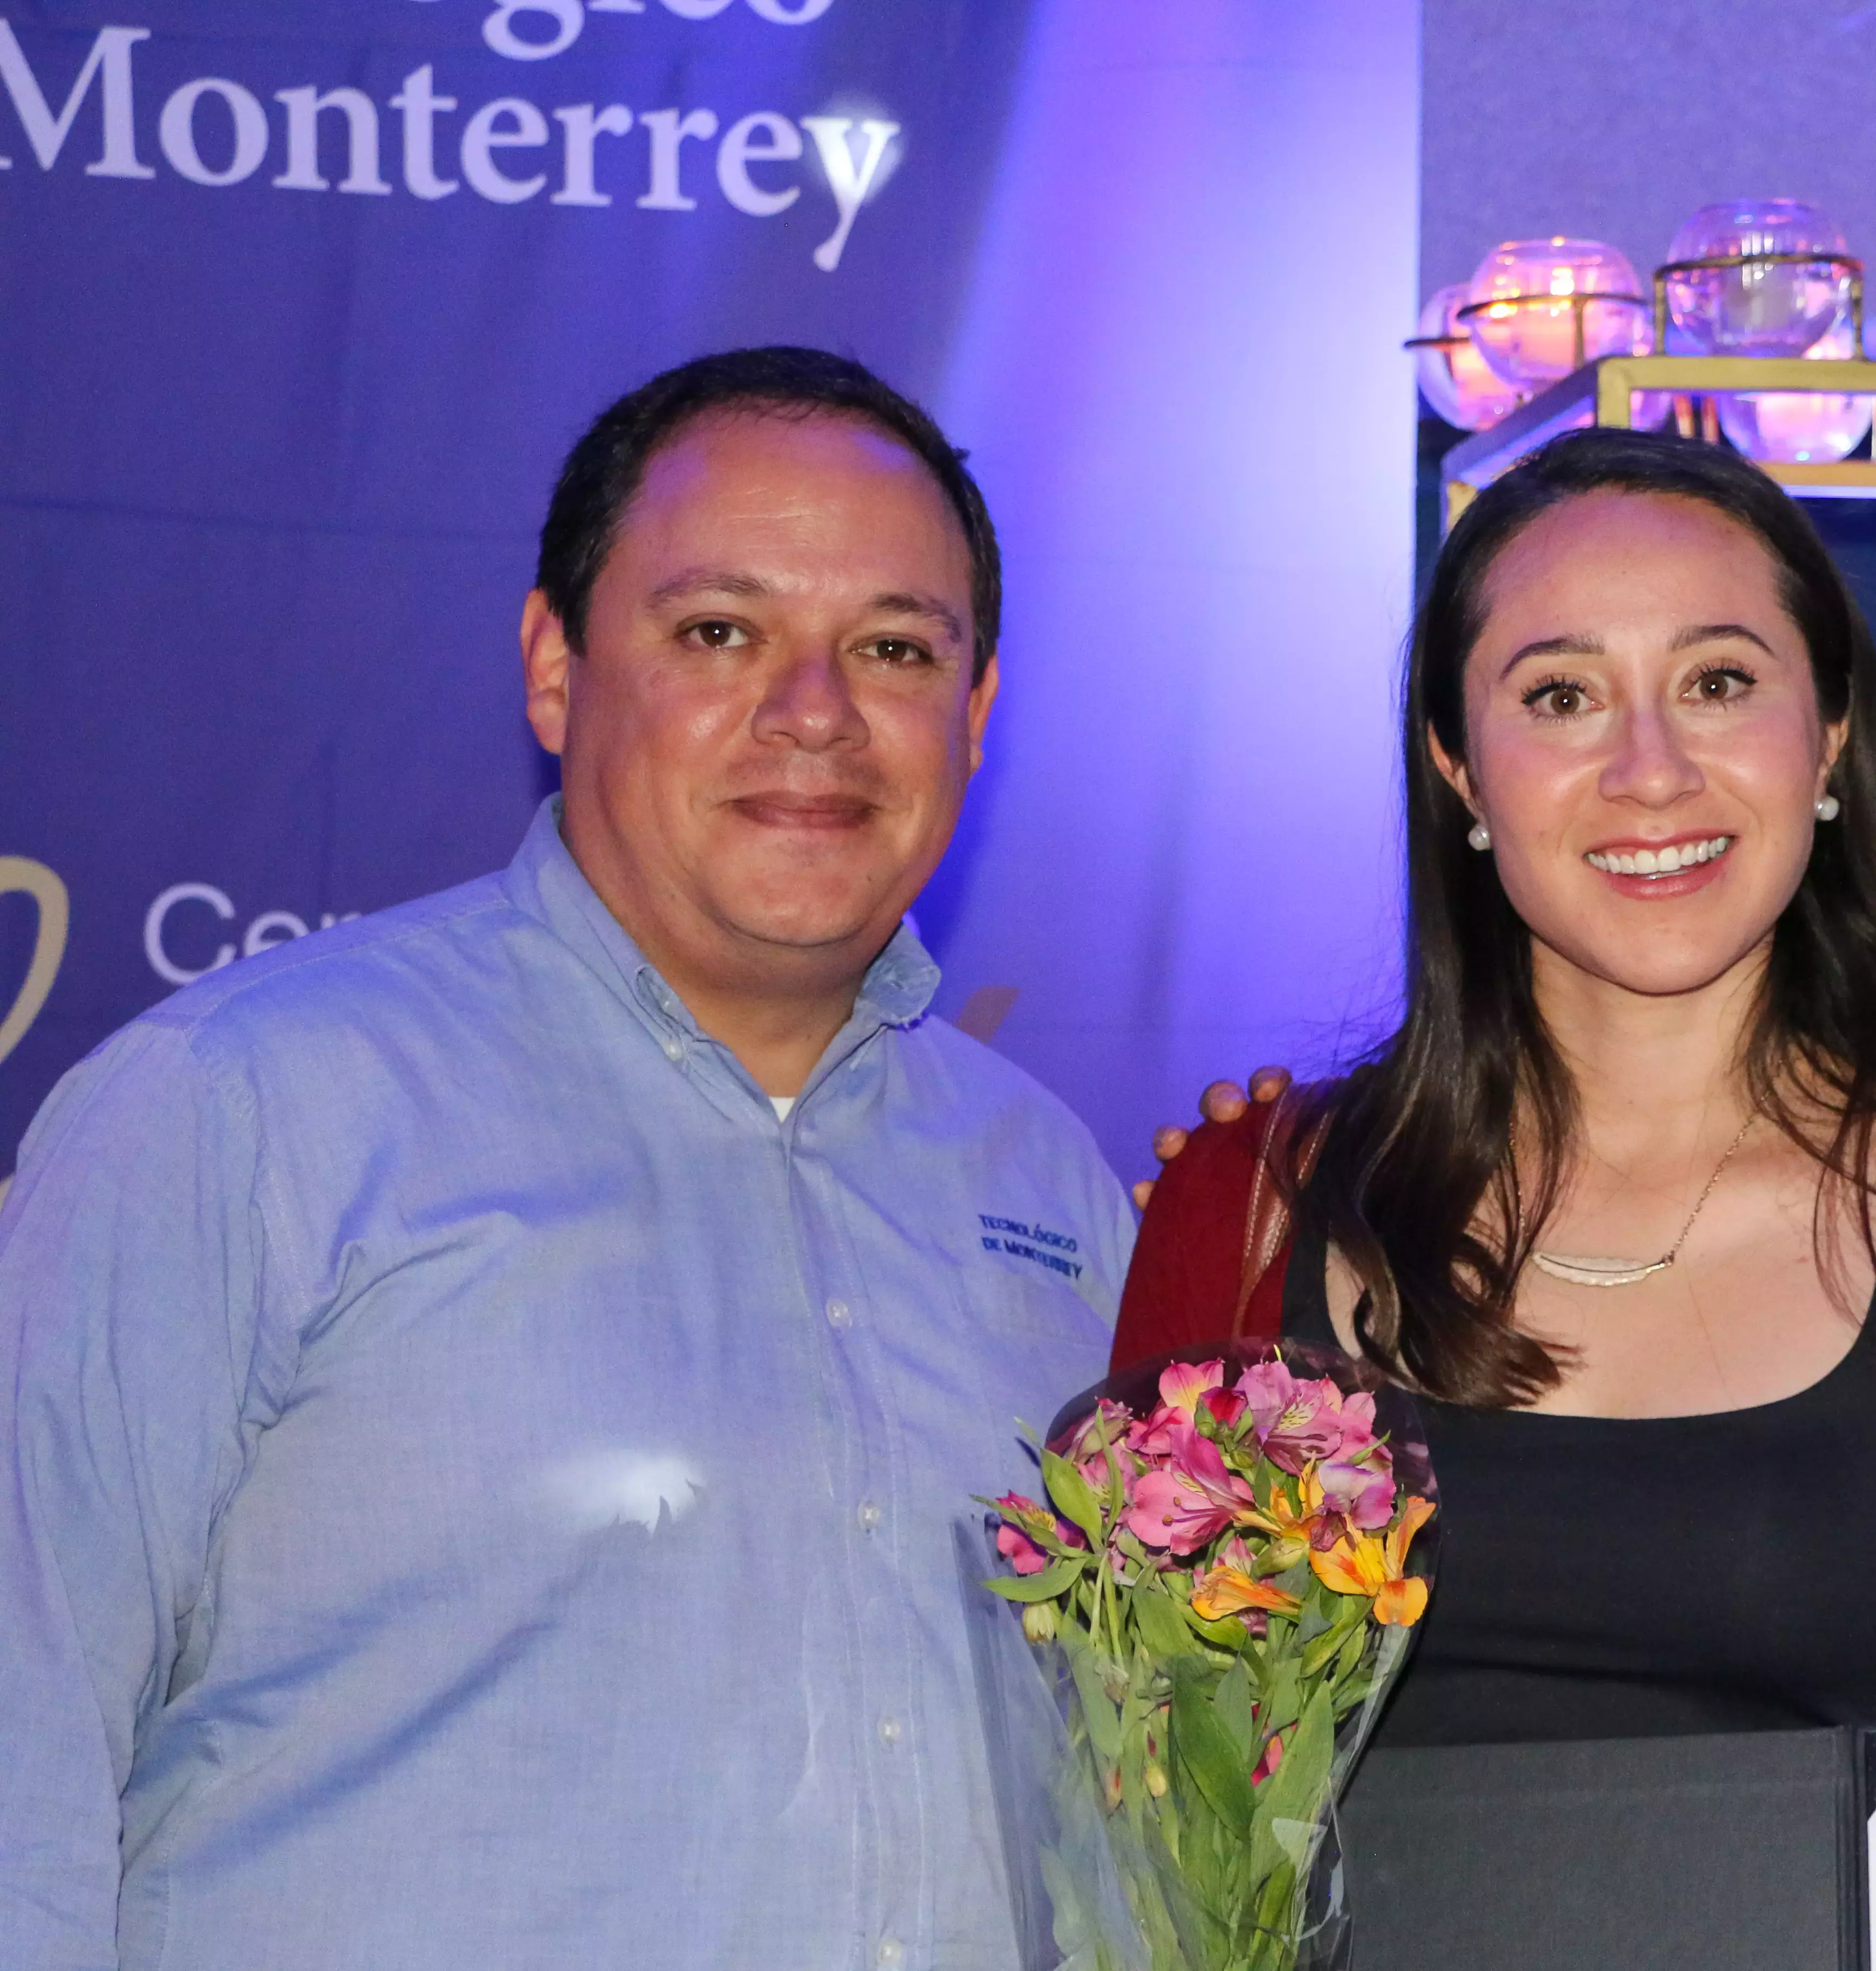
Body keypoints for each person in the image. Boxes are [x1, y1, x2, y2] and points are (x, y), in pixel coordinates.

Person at [0, 348, 1133, 1970]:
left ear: (979, 711)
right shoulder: (241, 1110)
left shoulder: (1049, 1190)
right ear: (554, 666)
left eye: (894, 648)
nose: (814, 714)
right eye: (719, 632)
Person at [1114, 427, 1876, 1747]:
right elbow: (1142, 1806)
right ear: (1458, 765)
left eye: (1719, 681)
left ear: (1830, 736)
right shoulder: (1240, 1214)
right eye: (1562, 696)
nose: (1650, 770)